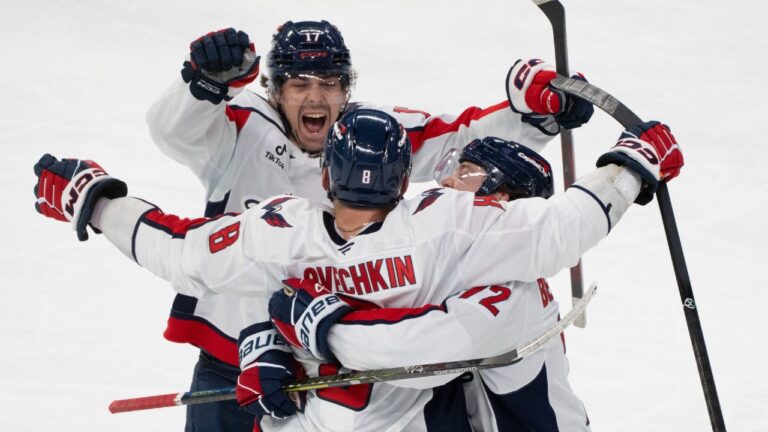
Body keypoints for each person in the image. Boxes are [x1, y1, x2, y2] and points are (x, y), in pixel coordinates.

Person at [33, 106, 682, 431]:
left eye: (468, 169)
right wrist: (272, 340)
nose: (450, 174)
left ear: (503, 200)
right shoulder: (436, 222)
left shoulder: (495, 268)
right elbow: (192, 253)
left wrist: (310, 329)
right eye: (448, 165)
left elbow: (423, 349)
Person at [144, 19, 593, 430]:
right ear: (275, 90)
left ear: (347, 88)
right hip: (234, 353)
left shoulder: (372, 136)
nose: (316, 98)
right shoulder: (240, 127)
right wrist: (201, 83)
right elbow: (173, 131)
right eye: (299, 84)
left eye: (330, 83)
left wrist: (536, 112)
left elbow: (461, 142)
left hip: (336, 357)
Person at [267, 137, 588, 431]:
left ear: (501, 200)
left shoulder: (509, 293)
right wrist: (273, 347)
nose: (447, 180)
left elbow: (409, 351)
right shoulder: (460, 266)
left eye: (465, 173)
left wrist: (316, 321)